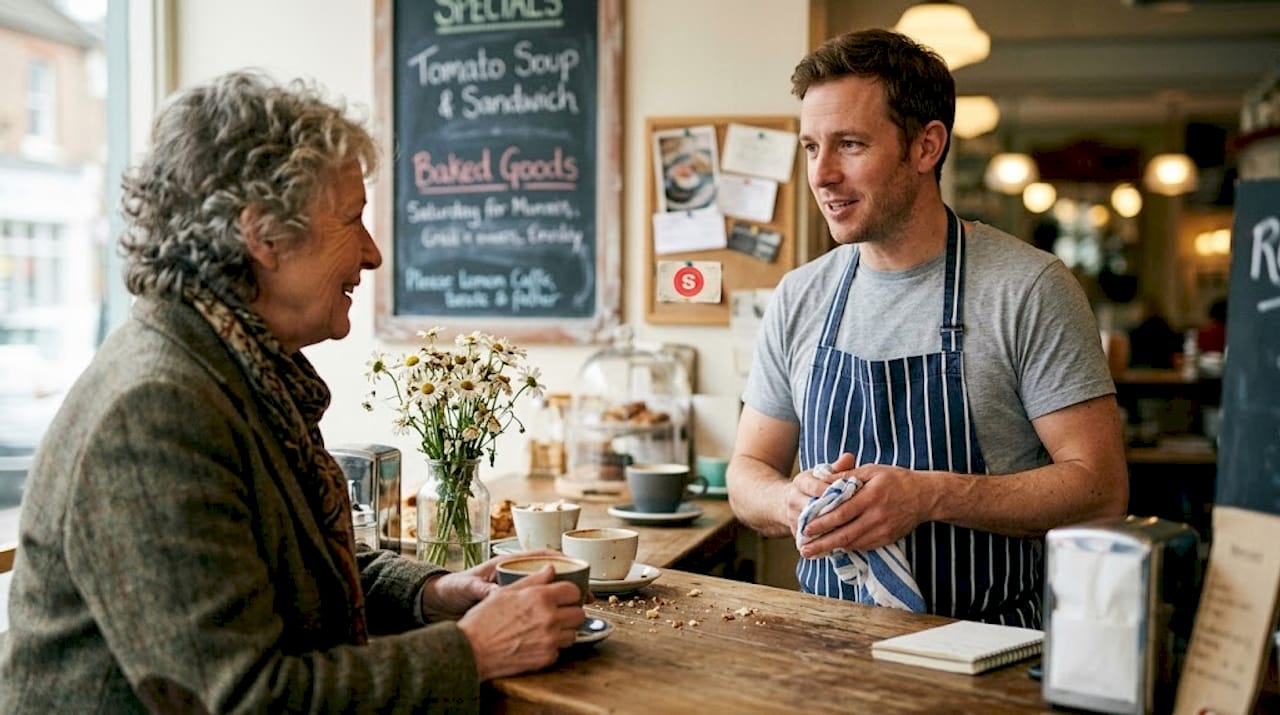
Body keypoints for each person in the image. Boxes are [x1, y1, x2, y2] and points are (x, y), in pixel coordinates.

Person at [0, 71, 584, 713]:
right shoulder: (154, 411)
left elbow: (293, 569)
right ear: (264, 235)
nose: (371, 255)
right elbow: (246, 700)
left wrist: (434, 594)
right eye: (353, 220)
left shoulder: (239, 365)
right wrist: (472, 650)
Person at [727, 30, 1128, 628]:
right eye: (811, 147)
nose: (822, 175)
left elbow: (1101, 490)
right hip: (827, 642)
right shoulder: (800, 296)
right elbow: (746, 472)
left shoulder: (1029, 288)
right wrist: (789, 500)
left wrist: (929, 495)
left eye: (850, 145)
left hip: (986, 646)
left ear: (926, 146)